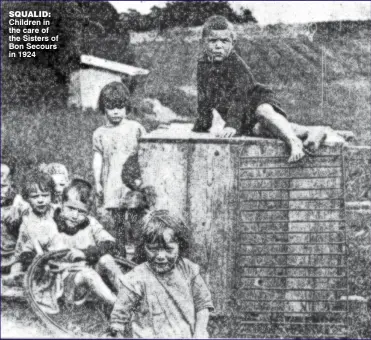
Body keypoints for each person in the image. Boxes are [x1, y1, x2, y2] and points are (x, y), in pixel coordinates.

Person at [193, 15, 307, 163]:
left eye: (224, 41)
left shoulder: (236, 65)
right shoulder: (203, 66)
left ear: (232, 43)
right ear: (203, 43)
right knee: (260, 129)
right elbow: (204, 97)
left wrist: (232, 124)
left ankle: (294, 142)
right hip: (245, 116)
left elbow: (240, 96)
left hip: (255, 100)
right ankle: (308, 133)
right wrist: (202, 124)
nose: (219, 46)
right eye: (213, 41)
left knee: (264, 112)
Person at [17, 178, 126, 312]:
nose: (75, 215)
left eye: (81, 211)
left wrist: (85, 253)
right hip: (65, 282)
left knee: (107, 260)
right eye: (70, 208)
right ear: (61, 205)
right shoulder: (49, 225)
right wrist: (42, 261)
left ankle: (130, 295)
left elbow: (110, 244)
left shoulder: (90, 223)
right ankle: (121, 306)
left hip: (91, 277)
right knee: (88, 274)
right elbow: (27, 252)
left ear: (88, 212)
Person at [108, 210, 214, 338]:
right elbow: (118, 319)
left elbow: (202, 305)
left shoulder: (188, 270)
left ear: (180, 246)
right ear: (144, 247)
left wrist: (200, 332)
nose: (160, 256)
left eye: (169, 249)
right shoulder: (136, 278)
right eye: (153, 249)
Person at [93, 82, 146, 257]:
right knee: (117, 221)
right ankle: (120, 252)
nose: (116, 111)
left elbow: (146, 152)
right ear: (104, 108)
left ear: (127, 107)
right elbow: (98, 158)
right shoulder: (100, 133)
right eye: (111, 107)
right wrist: (98, 182)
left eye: (120, 107)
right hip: (112, 182)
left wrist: (143, 179)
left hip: (132, 183)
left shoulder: (135, 128)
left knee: (135, 218)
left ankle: (140, 253)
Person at [1, 156, 30, 275]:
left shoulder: (18, 204)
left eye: (2, 186)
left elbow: (31, 222)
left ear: (11, 184)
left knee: (16, 274)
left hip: (13, 257)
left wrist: (19, 221)